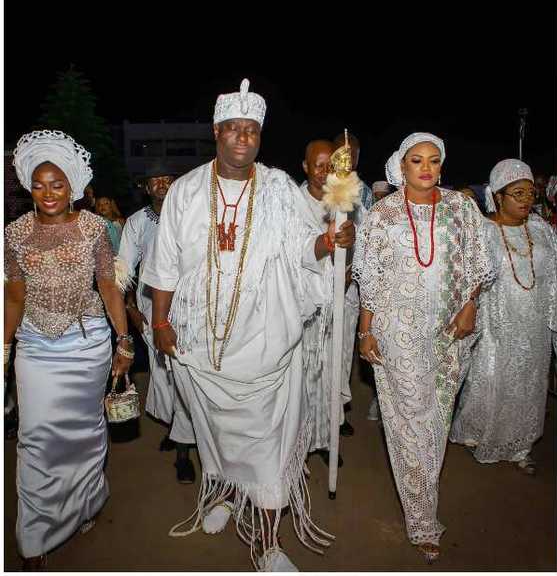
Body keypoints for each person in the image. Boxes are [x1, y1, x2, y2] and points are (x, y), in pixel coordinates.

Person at [143, 79, 347, 570]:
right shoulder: (187, 190)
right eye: (232, 129)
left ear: (259, 136)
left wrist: (327, 243)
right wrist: (161, 320)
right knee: (217, 436)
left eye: (251, 130)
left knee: (270, 448)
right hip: (202, 339)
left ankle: (268, 543)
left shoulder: (277, 188)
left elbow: (304, 247)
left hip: (268, 338)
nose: (242, 138)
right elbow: (164, 264)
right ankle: (225, 496)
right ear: (216, 132)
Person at [352, 132, 494, 563]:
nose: (427, 168)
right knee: (410, 423)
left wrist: (470, 303)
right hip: (398, 334)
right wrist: (366, 329)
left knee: (436, 421)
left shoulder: (462, 208)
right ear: (402, 165)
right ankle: (422, 520)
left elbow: (478, 265)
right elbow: (369, 277)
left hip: (450, 332)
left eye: (434, 160)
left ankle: (423, 497)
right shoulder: (383, 215)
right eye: (417, 160)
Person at [4, 130, 133, 570]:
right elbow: (14, 298)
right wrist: (4, 347)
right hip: (36, 346)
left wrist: (124, 339)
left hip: (87, 344)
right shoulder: (15, 234)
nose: (48, 193)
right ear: (28, 186)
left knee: (85, 435)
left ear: (72, 184)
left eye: (56, 184)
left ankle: (82, 506)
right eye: (39, 184)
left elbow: (108, 286)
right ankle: (35, 534)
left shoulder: (94, 227)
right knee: (36, 439)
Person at [450, 159, 557, 474]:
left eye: (530, 193)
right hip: (496, 322)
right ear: (497, 196)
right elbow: (468, 278)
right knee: (491, 382)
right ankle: (478, 434)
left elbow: (551, 278)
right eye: (518, 193)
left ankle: (521, 446)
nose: (526, 200)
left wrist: (553, 322)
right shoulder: (483, 231)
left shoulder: (541, 229)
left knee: (529, 386)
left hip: (535, 324)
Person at [116, 168, 198, 484]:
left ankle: (183, 451)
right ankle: (176, 430)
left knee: (185, 377)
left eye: (169, 178)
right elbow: (123, 270)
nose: (163, 183)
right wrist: (132, 310)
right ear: (145, 186)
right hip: (152, 311)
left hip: (191, 309)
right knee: (163, 377)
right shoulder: (137, 223)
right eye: (155, 179)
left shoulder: (191, 214)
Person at [295, 139, 362, 468]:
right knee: (302, 374)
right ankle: (297, 443)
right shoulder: (292, 202)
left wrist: (348, 252)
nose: (324, 172)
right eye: (317, 165)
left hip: (337, 302)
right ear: (305, 166)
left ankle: (324, 439)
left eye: (330, 165)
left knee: (329, 373)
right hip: (301, 305)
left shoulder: (344, 198)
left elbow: (355, 250)